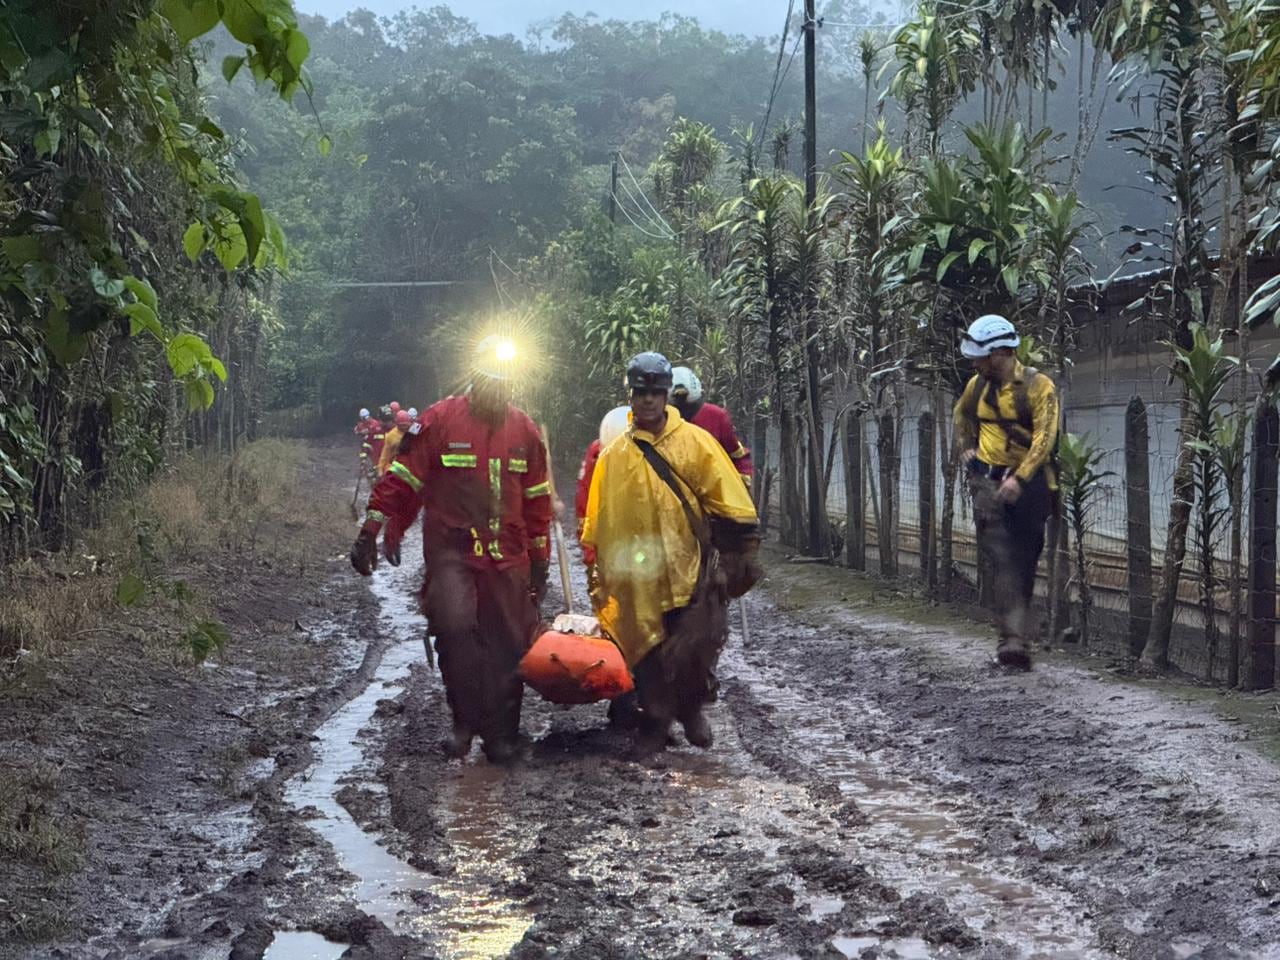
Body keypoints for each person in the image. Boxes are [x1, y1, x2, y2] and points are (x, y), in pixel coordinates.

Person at [350, 336, 552, 763]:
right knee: (455, 632)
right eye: (490, 382)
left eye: (505, 384)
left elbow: (537, 501)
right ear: (474, 379)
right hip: (453, 554)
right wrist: (373, 529)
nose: (497, 392)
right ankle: (463, 722)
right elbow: (403, 479)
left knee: (509, 644)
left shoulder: (525, 431)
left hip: (508, 556)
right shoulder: (439, 421)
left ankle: (502, 734)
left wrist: (540, 562)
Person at [582, 352, 762, 757]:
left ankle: (691, 708)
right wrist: (602, 567)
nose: (648, 400)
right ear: (630, 395)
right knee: (644, 650)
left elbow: (727, 496)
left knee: (694, 645)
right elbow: (601, 518)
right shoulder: (614, 456)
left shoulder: (696, 443)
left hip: (687, 566)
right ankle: (656, 722)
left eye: (655, 393)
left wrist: (741, 550)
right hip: (638, 576)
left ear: (667, 396)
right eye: (640, 392)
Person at [953, 314, 1060, 670]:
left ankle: (1017, 637)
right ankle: (1010, 639)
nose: (975, 363)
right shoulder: (976, 387)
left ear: (1000, 352)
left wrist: (1020, 478)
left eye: (981, 356)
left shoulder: (1038, 386)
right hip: (989, 485)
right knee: (999, 560)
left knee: (1024, 560)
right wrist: (968, 448)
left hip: (1030, 488)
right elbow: (962, 416)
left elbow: (1045, 439)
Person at [669, 367, 753, 487]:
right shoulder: (660, 420)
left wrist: (740, 485)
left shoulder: (716, 416)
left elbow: (737, 455)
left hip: (714, 493)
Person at [376, 408, 414, 477]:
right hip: (397, 465)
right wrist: (380, 469)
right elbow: (385, 454)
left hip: (413, 465)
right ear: (397, 424)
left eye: (406, 425)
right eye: (401, 425)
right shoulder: (390, 436)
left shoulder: (416, 431)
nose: (404, 427)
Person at [354, 408, 376, 479]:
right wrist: (360, 432)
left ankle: (374, 470)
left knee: (374, 458)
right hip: (364, 445)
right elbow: (356, 430)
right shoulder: (360, 424)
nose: (366, 420)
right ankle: (363, 470)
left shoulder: (374, 423)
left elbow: (375, 430)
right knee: (363, 457)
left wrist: (367, 431)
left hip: (374, 444)